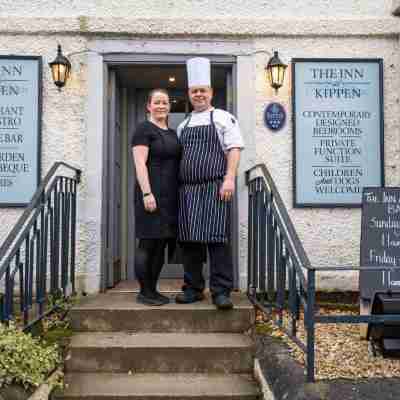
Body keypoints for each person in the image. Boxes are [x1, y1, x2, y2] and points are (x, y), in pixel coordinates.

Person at [175, 57, 244, 310]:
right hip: (188, 191)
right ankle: (193, 288)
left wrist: (229, 178)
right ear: (189, 94)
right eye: (195, 91)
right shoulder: (184, 125)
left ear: (211, 93)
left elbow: (234, 149)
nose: (199, 95)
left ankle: (220, 292)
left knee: (217, 241)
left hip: (216, 187)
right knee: (190, 243)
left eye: (203, 90)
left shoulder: (224, 118)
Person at [131, 88, 181, 306]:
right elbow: (140, 163)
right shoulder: (143, 129)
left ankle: (153, 289)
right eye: (157, 102)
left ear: (169, 107)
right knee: (148, 243)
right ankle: (144, 292)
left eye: (165, 103)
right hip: (151, 194)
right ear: (148, 106)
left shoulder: (172, 133)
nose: (161, 106)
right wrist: (147, 193)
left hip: (170, 196)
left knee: (160, 244)